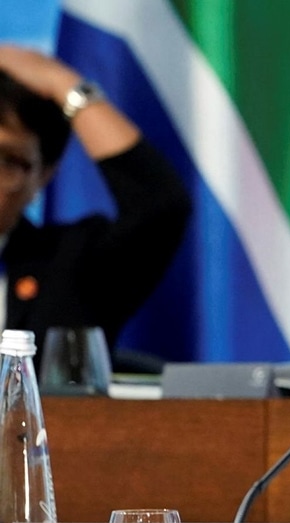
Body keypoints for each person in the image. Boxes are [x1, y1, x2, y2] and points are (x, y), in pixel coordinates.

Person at [0, 46, 188, 358]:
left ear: (43, 175)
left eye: (8, 161)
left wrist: (59, 81)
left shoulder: (67, 267)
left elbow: (160, 206)